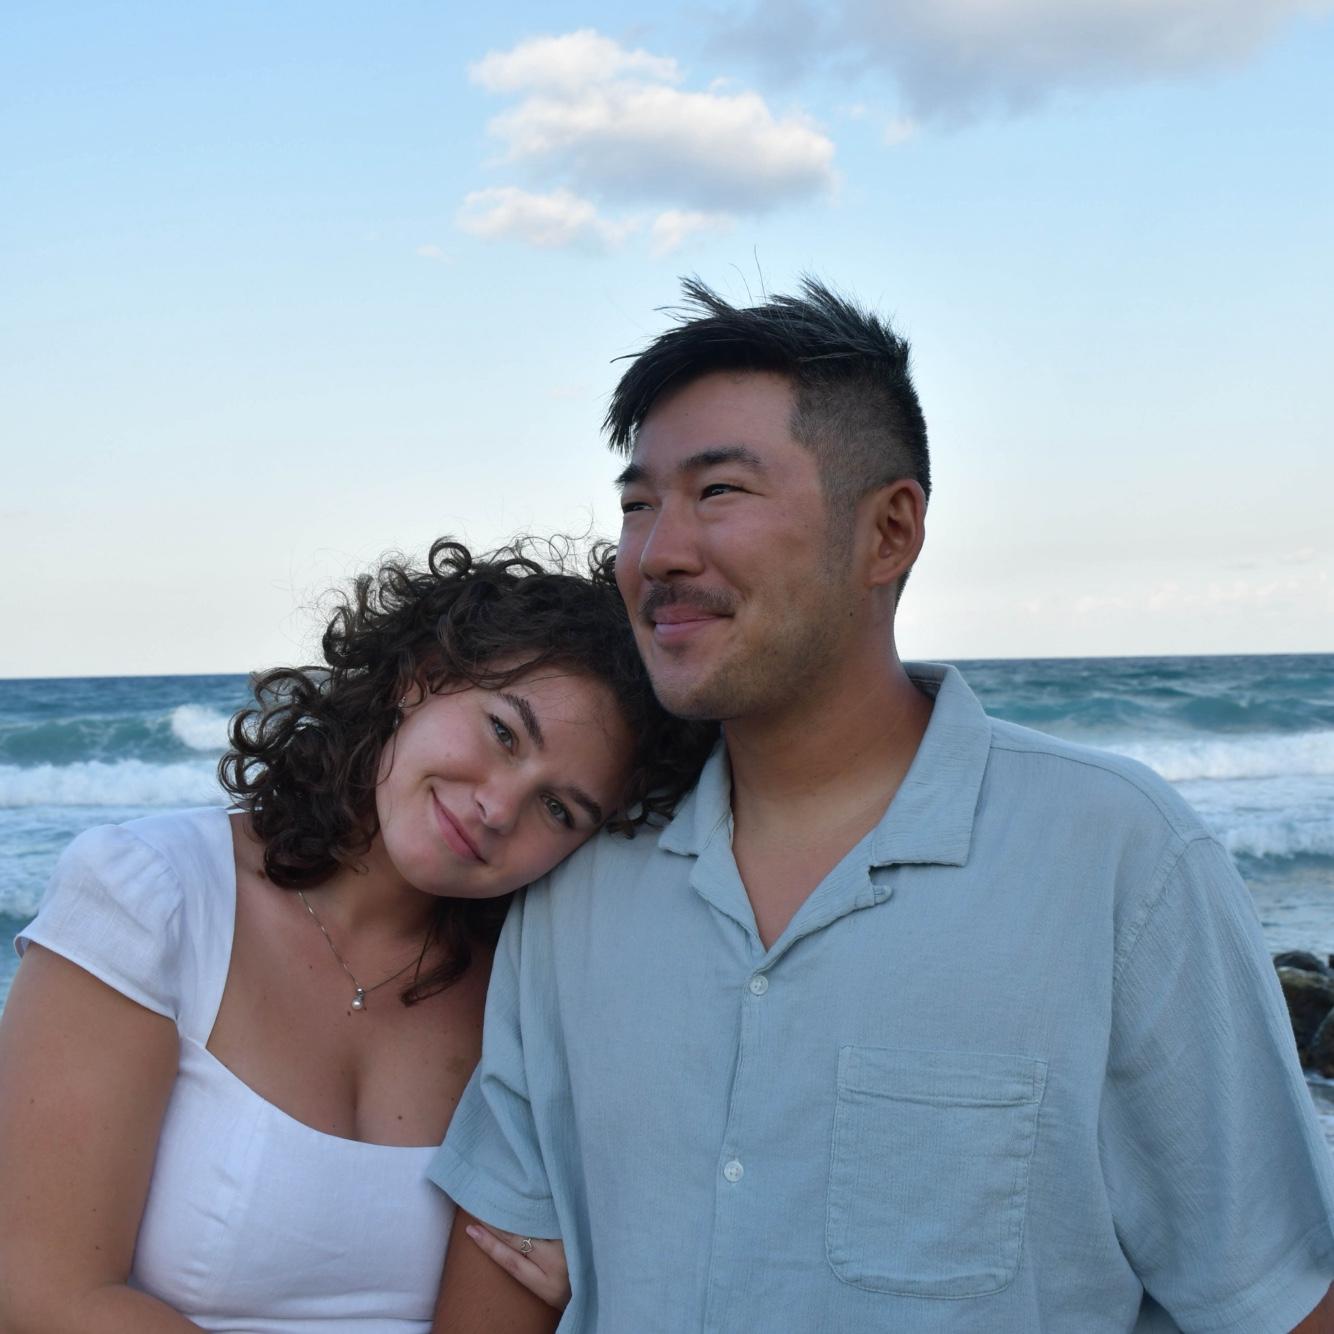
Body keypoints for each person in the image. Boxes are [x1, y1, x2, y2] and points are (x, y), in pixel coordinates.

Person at [429, 281, 1334, 1332]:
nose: (657, 551)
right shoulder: (584, 877)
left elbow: (1275, 1295)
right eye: (637, 504)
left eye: (718, 490)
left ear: (888, 532)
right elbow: (501, 1256)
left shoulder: (1114, 859)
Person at [0, 538, 714, 1333]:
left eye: (559, 809)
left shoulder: (529, 998)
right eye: (504, 734)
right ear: (421, 677)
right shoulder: (153, 895)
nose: (497, 807)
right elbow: (40, 1295)